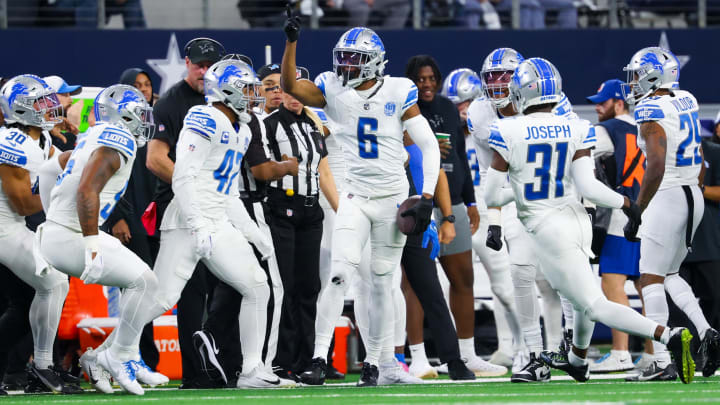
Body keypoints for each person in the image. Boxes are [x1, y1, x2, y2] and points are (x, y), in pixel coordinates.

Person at [484, 56, 694, 384]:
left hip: (547, 227)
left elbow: (493, 196)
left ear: (522, 92)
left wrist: (521, 186)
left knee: (593, 304)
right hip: (578, 221)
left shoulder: (506, 129)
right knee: (580, 295)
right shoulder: (576, 125)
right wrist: (626, 202)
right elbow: (588, 186)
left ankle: (668, 335)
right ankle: (577, 360)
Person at [281, 16, 441, 386]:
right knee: (338, 275)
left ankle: (374, 362)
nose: (344, 66)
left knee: (383, 283)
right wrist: (291, 43)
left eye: (353, 59)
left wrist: (427, 197)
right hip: (354, 197)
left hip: (391, 199)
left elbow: (429, 146)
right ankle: (319, 358)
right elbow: (291, 86)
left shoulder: (399, 91)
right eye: (343, 58)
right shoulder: (332, 88)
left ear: (372, 61)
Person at [147, 59, 280, 388]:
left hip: (217, 219)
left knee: (257, 286)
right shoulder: (204, 117)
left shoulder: (243, 129)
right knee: (163, 298)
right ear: (227, 91)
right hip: (188, 219)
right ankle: (113, 351)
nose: (253, 96)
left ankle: (251, 370)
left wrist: (252, 233)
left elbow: (229, 193)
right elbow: (183, 175)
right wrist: (197, 224)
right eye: (247, 89)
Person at [39, 84, 162, 395]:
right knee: (144, 283)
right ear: (120, 114)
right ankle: (118, 355)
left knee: (146, 284)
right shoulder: (118, 140)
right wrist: (92, 245)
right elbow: (86, 191)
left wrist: (49, 213)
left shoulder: (95, 133)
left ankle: (113, 357)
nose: (144, 119)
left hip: (63, 231)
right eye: (138, 113)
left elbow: (53, 166)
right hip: (72, 236)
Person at [622, 47, 720, 381]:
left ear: (652, 75)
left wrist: (638, 207)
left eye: (637, 75)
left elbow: (657, 165)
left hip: (667, 195)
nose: (633, 82)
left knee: (649, 276)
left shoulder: (650, 108)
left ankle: (663, 359)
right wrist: (695, 186)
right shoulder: (687, 99)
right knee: (671, 273)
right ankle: (707, 331)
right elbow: (701, 159)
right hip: (693, 191)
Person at [404, 55, 505, 377]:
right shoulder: (402, 107)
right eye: (421, 79)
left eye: (432, 78)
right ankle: (418, 356)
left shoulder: (448, 108)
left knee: (463, 279)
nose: (427, 84)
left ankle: (467, 352)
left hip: (454, 201)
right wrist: (423, 148)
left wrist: (472, 201)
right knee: (415, 283)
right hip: (417, 199)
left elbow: (461, 155)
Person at [468, 47, 562, 382]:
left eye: (504, 75)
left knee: (555, 283)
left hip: (548, 195)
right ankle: (531, 351)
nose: (496, 83)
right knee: (520, 275)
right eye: (490, 76)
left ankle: (564, 349)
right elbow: (497, 167)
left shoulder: (548, 100)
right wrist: (493, 216)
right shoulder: (480, 112)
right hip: (507, 197)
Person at [145, 36, 226, 389]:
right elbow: (154, 159)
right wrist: (192, 185)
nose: (204, 72)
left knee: (233, 283)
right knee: (188, 290)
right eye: (198, 65)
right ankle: (194, 371)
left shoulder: (227, 99)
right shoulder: (170, 102)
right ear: (188, 64)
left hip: (221, 205)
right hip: (179, 206)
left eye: (211, 66)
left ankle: (227, 360)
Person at [441, 67, 524, 371]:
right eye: (454, 104)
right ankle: (472, 352)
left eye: (464, 104)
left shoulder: (492, 122)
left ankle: (526, 346)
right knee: (454, 284)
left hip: (491, 209)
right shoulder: (447, 131)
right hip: (462, 210)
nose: (460, 111)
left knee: (503, 285)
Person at [0, 74, 76, 393]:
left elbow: (46, 180)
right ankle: (43, 367)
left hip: (16, 228)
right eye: (41, 102)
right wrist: (67, 187)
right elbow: (22, 203)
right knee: (54, 281)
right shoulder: (11, 143)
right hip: (5, 227)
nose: (50, 107)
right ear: (22, 109)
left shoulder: (41, 138)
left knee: (47, 288)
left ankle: (42, 367)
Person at [262, 66, 338, 379]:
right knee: (286, 285)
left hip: (311, 212)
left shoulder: (314, 122)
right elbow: (258, 167)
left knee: (310, 285)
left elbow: (324, 170)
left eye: (298, 93)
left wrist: (342, 210)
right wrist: (281, 168)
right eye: (287, 91)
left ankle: (311, 358)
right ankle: (282, 359)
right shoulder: (267, 124)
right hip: (281, 210)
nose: (292, 97)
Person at [584, 79, 652, 374]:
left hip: (621, 216)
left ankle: (621, 352)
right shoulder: (647, 127)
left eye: (603, 101)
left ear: (619, 103)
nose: (597, 106)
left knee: (611, 283)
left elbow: (580, 159)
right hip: (649, 214)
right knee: (646, 286)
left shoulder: (605, 130)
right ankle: (653, 353)